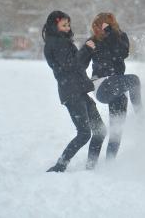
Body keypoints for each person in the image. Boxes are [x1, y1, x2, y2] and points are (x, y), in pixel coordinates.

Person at [42, 10, 107, 172]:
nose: (67, 27)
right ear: (54, 26)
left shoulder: (63, 41)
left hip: (79, 90)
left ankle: (91, 166)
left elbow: (79, 66)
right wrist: (85, 49)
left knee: (100, 130)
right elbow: (70, 65)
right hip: (71, 92)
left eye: (68, 24)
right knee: (84, 133)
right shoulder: (55, 43)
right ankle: (60, 165)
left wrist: (88, 50)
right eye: (63, 25)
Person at [79, 13, 142, 160]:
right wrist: (86, 49)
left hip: (117, 86)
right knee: (134, 80)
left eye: (101, 26)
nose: (98, 30)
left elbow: (122, 53)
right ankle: (141, 117)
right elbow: (80, 65)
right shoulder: (93, 41)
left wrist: (111, 34)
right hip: (102, 84)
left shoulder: (120, 37)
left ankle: (108, 165)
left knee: (116, 129)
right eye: (96, 27)